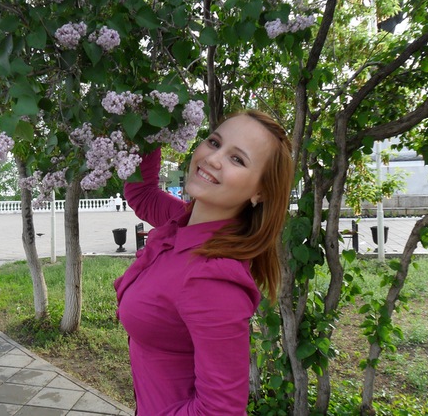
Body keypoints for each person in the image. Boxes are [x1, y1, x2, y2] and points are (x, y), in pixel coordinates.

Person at [114, 110, 294, 415]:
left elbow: (219, 410)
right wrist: (147, 115)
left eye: (237, 159)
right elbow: (142, 193)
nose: (213, 158)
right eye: (214, 142)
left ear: (260, 191)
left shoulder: (213, 279)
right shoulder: (182, 223)